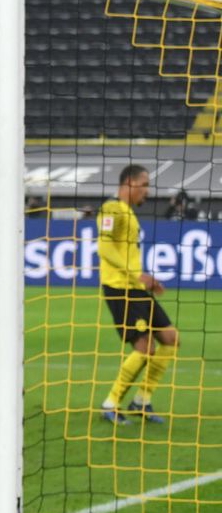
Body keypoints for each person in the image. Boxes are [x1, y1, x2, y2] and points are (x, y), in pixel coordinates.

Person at [97, 163, 178, 424]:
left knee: (170, 338)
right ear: (129, 184)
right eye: (144, 185)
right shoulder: (111, 209)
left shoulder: (128, 213)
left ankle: (141, 401)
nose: (147, 191)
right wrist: (137, 276)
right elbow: (105, 249)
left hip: (135, 287)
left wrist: (144, 279)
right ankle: (111, 403)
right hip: (120, 288)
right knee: (145, 349)